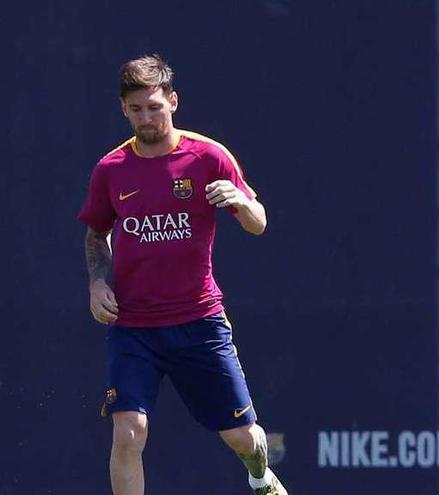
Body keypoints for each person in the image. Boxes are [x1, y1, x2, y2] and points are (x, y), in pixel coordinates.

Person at [78, 54, 288, 495]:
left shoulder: (208, 157)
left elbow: (259, 222)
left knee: (244, 438)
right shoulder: (111, 169)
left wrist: (241, 200)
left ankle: (260, 477)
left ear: (172, 101)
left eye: (154, 107)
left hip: (198, 322)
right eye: (136, 109)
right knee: (129, 431)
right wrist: (97, 283)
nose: (146, 117)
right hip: (134, 326)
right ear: (123, 110)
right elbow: (97, 235)